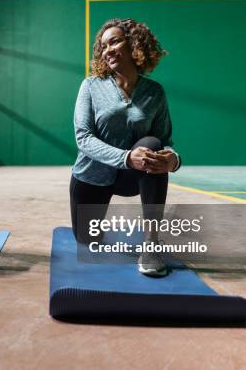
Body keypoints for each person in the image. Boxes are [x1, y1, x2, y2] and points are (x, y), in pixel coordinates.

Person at [70, 18, 181, 277]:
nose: (108, 50)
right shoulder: (90, 86)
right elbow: (83, 138)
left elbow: (165, 141)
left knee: (152, 145)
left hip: (132, 176)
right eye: (103, 46)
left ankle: (151, 244)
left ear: (134, 45)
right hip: (92, 177)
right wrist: (127, 157)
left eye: (115, 41)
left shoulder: (155, 92)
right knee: (88, 241)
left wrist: (173, 160)